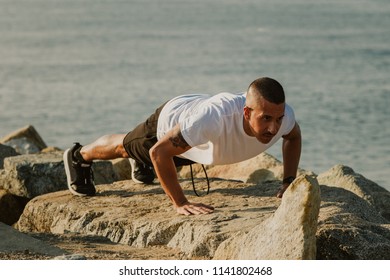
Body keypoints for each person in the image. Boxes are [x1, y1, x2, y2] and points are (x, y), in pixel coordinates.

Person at [63, 77, 302, 216]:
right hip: (171, 122)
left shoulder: (283, 116)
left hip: (198, 144)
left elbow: (293, 138)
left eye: (278, 119)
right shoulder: (213, 118)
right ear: (246, 112)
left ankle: (143, 164)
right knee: (125, 148)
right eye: (266, 119)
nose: (274, 128)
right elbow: (159, 151)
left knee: (174, 152)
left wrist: (288, 181)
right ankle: (79, 156)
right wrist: (181, 203)